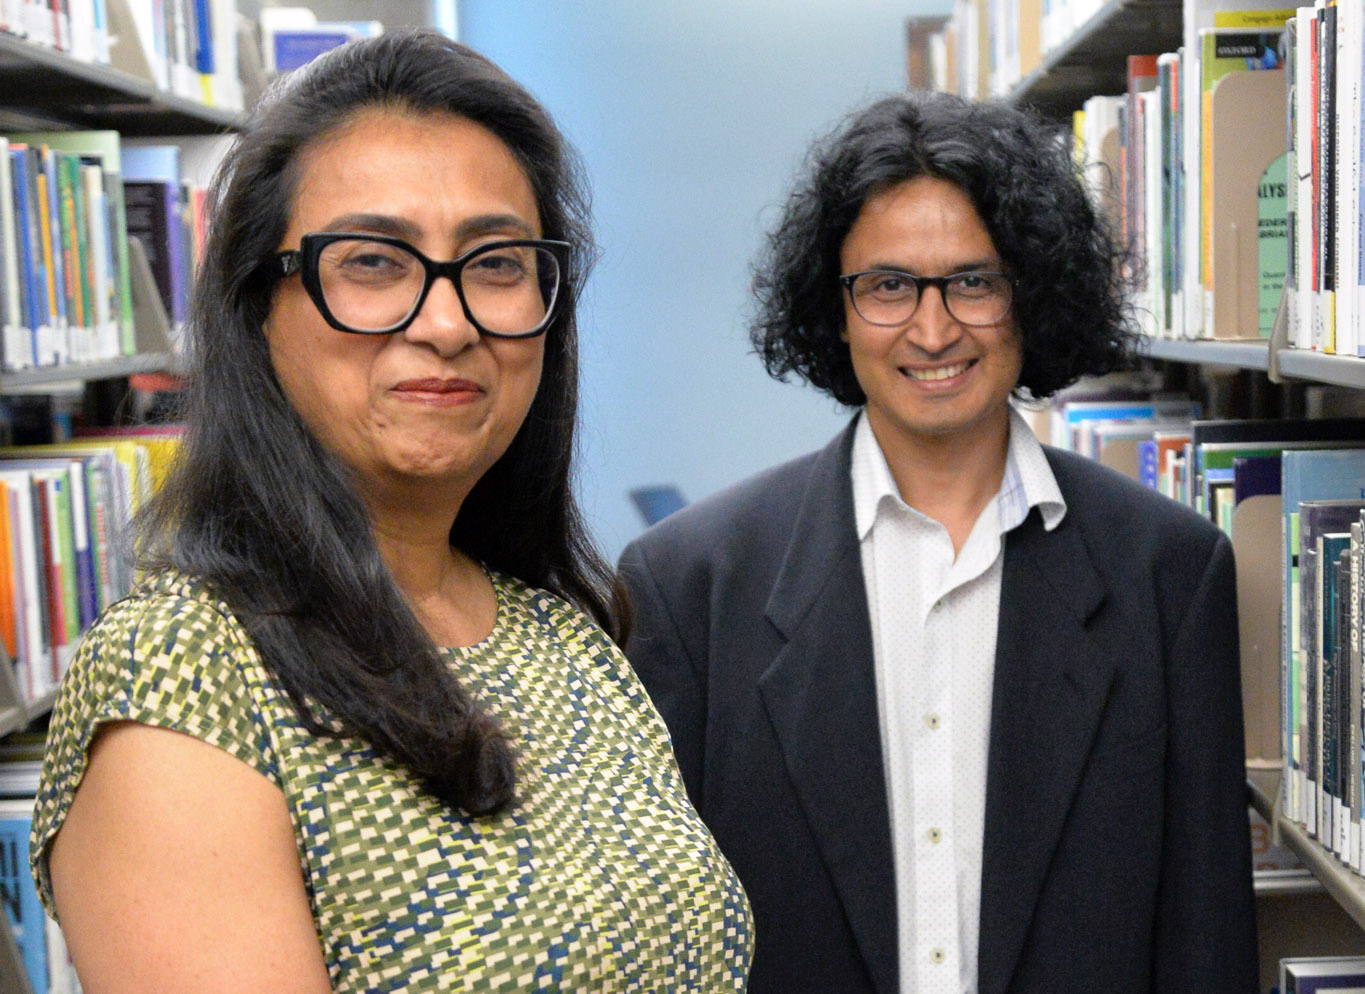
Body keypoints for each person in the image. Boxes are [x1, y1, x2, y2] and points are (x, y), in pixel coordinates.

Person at [31, 30, 752, 993]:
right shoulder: (185, 675)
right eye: (372, 263)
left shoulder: (564, 636)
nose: (447, 324)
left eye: (496, 263)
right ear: (258, 309)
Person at [618, 90, 1256, 994]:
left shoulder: (1169, 573)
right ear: (834, 312)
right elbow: (662, 942)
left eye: (973, 281)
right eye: (886, 287)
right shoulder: (689, 586)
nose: (931, 329)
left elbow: (1205, 938)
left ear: (1029, 295)